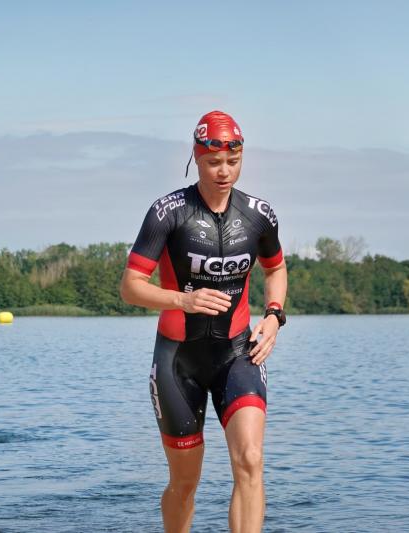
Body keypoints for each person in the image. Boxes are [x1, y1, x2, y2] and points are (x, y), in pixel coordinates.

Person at [120, 110, 287, 533]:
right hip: (179, 361)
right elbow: (131, 287)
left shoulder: (259, 214)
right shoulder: (167, 213)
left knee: (250, 460)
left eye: (233, 161)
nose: (224, 171)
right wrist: (183, 299)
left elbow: (276, 269)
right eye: (214, 162)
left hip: (238, 353)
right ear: (197, 158)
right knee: (185, 483)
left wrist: (274, 315)